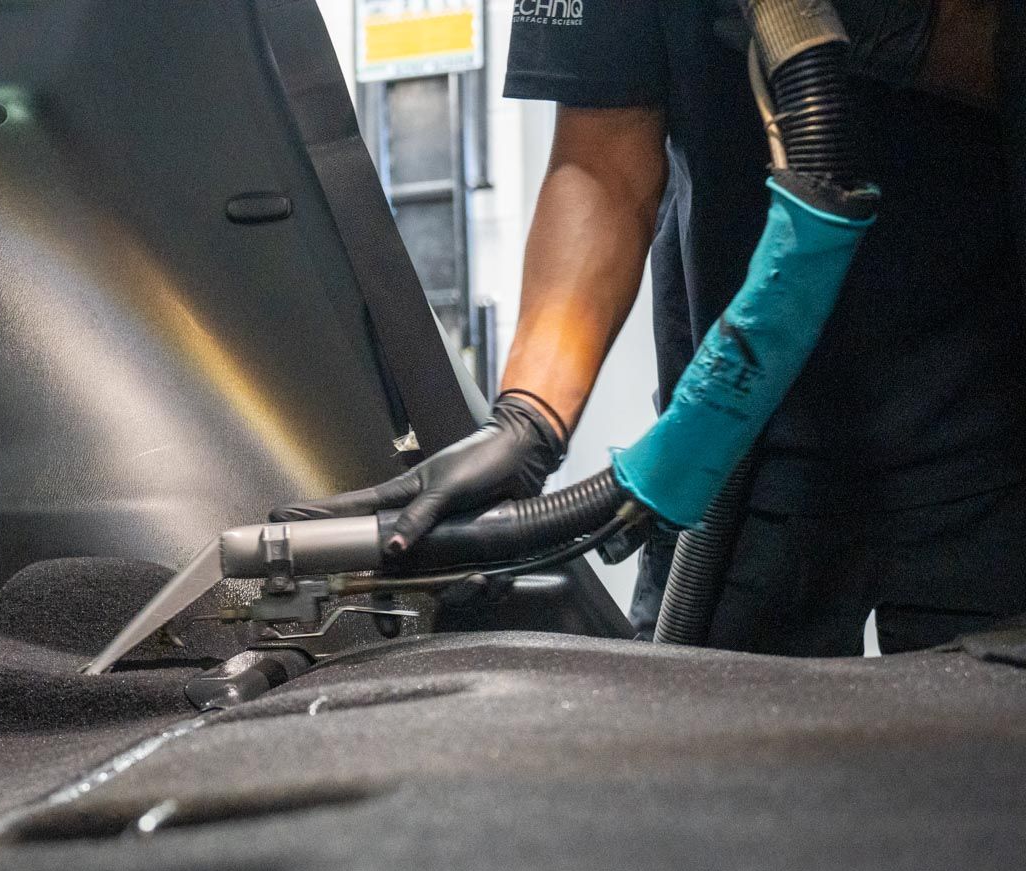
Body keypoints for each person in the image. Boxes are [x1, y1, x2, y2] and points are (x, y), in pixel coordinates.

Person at [289, 0, 1025, 655]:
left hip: (993, 428)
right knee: (696, 772)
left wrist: (921, 31)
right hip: (735, 459)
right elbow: (603, 155)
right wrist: (529, 418)